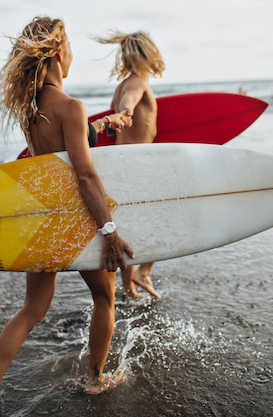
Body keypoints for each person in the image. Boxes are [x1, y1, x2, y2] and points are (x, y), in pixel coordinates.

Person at [0, 17, 134, 417]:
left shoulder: (30, 110)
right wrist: (109, 232)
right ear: (60, 54)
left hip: (42, 222)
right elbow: (84, 175)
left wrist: (98, 126)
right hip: (77, 224)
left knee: (32, 310)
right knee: (103, 297)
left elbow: (52, 157)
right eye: (72, 48)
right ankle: (96, 379)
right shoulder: (71, 107)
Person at [94, 30, 166, 300]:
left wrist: (120, 115)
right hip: (138, 164)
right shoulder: (138, 83)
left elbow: (113, 130)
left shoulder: (122, 84)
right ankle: (143, 272)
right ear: (149, 54)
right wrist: (127, 111)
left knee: (132, 225)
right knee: (162, 217)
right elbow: (130, 102)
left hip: (122, 164)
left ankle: (129, 288)